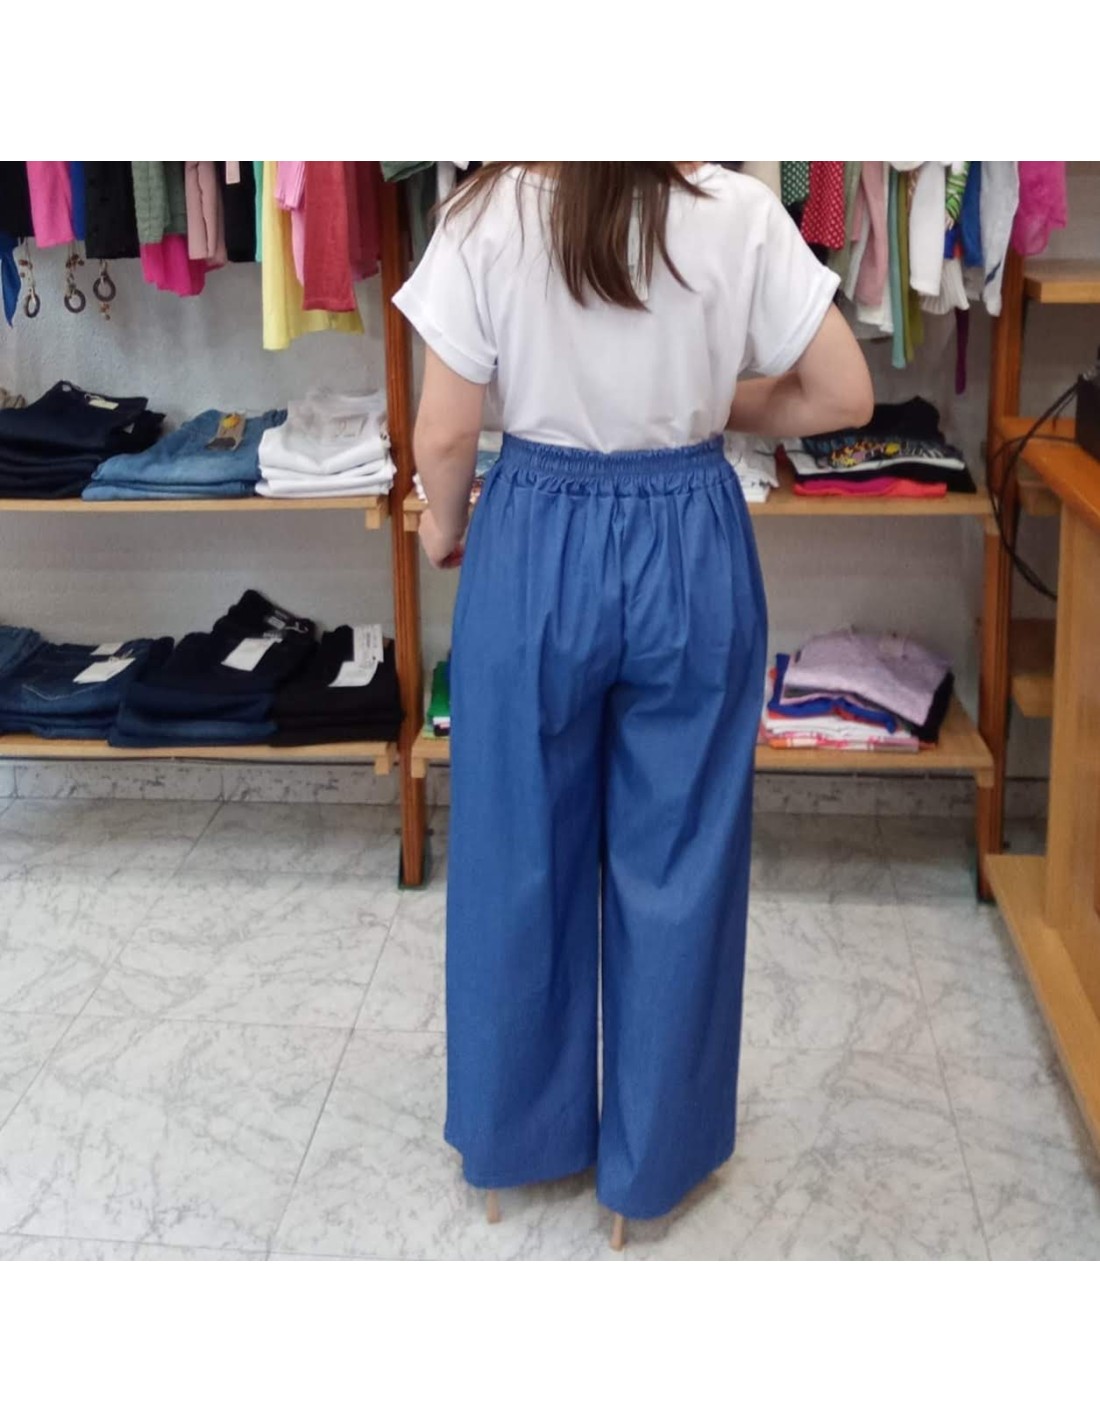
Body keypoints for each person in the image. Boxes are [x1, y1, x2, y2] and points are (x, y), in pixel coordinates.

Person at [393, 162, 872, 1248]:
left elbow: (445, 433)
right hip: (690, 533)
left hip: (535, 534)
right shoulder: (737, 209)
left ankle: (515, 1143)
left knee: (516, 853)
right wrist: (715, 398)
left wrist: (443, 528)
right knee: (681, 862)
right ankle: (650, 1166)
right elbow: (844, 397)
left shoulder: (483, 211)